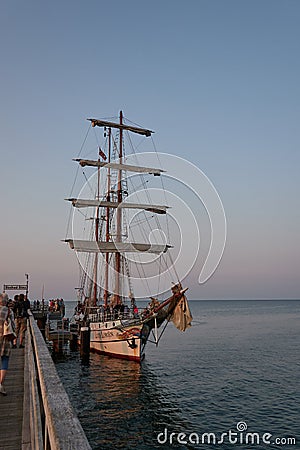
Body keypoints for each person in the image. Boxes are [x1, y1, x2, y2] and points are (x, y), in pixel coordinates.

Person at [0, 293, 14, 395]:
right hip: (5, 338)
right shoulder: (9, 311)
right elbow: (13, 326)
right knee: (4, 359)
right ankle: (0, 384)